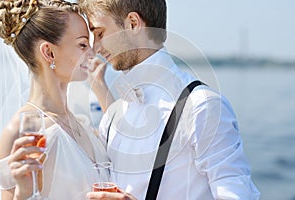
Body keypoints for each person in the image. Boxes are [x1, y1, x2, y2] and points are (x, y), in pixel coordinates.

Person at [79, 0, 261, 199]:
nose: (95, 48)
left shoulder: (202, 106)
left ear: (133, 24)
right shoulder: (113, 115)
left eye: (99, 34)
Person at [0, 0, 111, 199]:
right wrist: (22, 193)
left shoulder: (80, 123)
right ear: (49, 52)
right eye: (83, 45)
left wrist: (100, 87)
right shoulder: (22, 132)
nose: (93, 54)